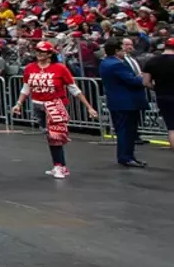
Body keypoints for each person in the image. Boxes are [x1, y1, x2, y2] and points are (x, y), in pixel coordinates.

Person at [12, 40, 97, 179]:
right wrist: (18, 103)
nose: (39, 54)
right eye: (37, 51)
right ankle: (59, 164)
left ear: (50, 54)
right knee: (49, 136)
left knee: (55, 136)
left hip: (55, 105)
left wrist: (88, 107)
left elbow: (74, 89)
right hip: (38, 105)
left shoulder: (60, 68)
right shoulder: (30, 68)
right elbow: (26, 88)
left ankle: (59, 165)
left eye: (43, 52)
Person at [99, 39, 148, 169]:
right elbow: (132, 81)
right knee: (127, 131)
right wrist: (142, 77)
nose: (124, 52)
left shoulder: (105, 62)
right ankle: (126, 157)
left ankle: (126, 156)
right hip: (126, 103)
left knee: (123, 130)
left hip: (116, 101)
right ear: (116, 51)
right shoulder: (117, 65)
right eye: (121, 49)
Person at [146, 38, 174, 151]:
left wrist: (157, 88)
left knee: (172, 127)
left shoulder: (152, 61)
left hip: (163, 96)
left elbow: (146, 82)